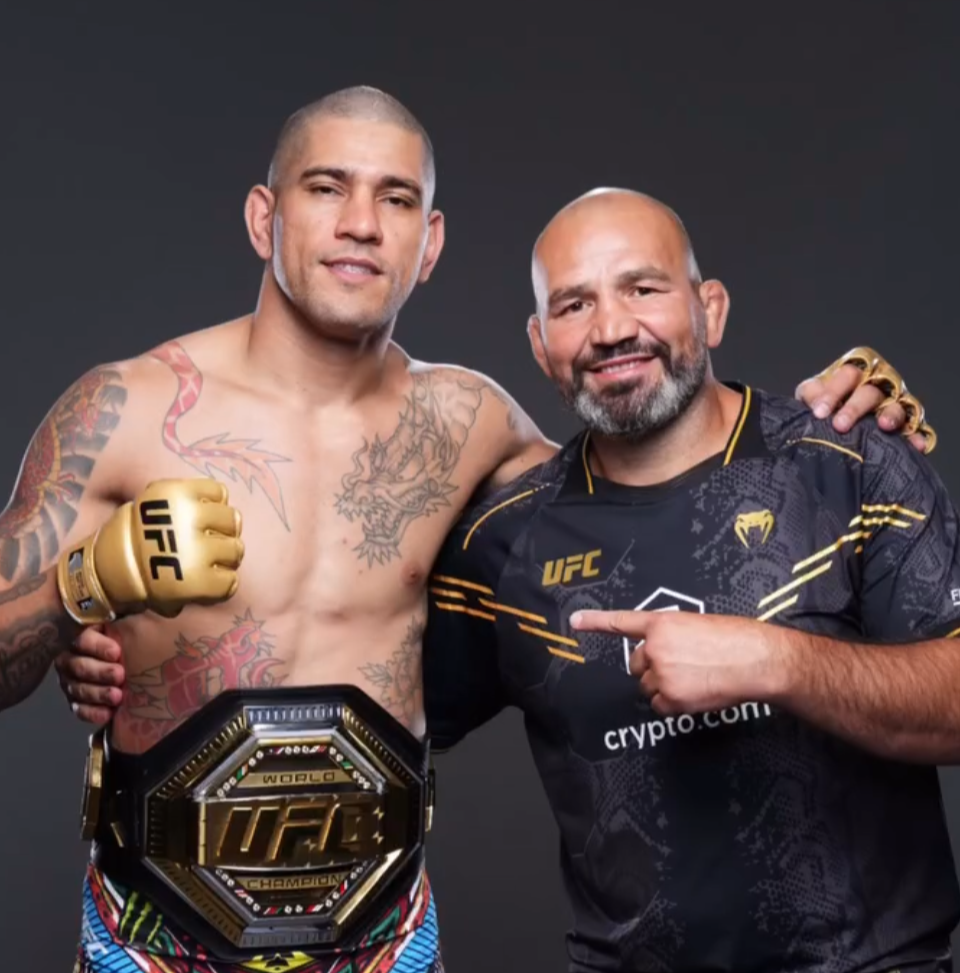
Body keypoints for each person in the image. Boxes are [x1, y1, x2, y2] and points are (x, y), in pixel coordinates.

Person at [43, 89, 927, 973]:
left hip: (385, 943)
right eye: (326, 189)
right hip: (151, 935)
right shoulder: (124, 410)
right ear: (262, 216)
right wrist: (77, 589)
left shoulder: (468, 423)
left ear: (428, 244)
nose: (360, 223)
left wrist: (829, 425)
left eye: (394, 198)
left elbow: (644, 479)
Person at [412, 191, 959, 972]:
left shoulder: (847, 463)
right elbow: (379, 710)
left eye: (643, 288)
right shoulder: (504, 541)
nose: (610, 330)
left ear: (711, 308)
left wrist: (777, 661)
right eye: (574, 304)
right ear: (540, 343)